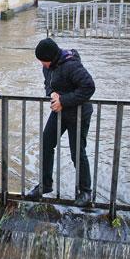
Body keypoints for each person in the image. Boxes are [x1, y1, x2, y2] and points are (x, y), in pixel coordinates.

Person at [29, 38, 95, 207]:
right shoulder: (48, 66)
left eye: (43, 61)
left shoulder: (71, 65)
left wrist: (64, 101)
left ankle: (85, 191)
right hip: (60, 111)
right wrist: (51, 94)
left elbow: (88, 87)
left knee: (77, 152)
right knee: (46, 143)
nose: (42, 65)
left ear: (52, 57)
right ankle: (45, 184)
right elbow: (48, 84)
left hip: (79, 112)